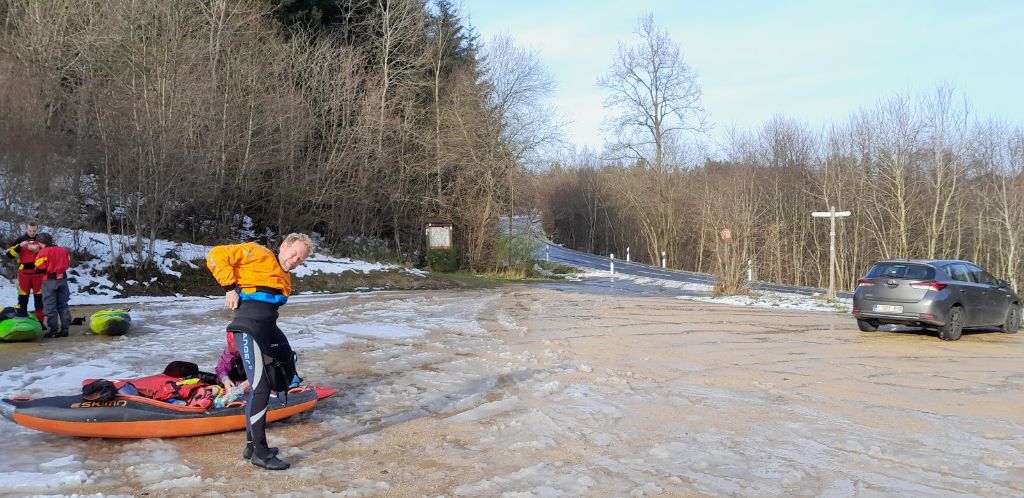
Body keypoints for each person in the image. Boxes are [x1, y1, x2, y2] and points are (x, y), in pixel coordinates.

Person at [206, 233, 313, 471]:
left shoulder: (284, 276)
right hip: (247, 327)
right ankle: (261, 453)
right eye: (294, 253)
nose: (296, 260)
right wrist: (229, 287)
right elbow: (216, 255)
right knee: (261, 387)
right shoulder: (258, 253)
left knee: (280, 369)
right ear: (284, 246)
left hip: (267, 329)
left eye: (301, 259)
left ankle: (251, 445)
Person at [5, 221, 45, 325]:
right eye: (30, 230)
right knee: (23, 296)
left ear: (37, 230)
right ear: (26, 229)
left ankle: (40, 321)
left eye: (34, 231)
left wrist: (39, 251)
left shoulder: (41, 239)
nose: (32, 233)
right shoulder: (20, 239)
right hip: (24, 273)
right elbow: (9, 255)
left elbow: (49, 254)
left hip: (38, 273)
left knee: (39, 298)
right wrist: (19, 246)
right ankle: (22, 317)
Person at [33, 233, 72, 338]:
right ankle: (65, 329)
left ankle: (53, 331)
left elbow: (38, 266)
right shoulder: (63, 250)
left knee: (50, 306)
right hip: (63, 279)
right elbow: (68, 262)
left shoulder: (43, 252)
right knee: (63, 305)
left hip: (49, 281)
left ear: (41, 243)